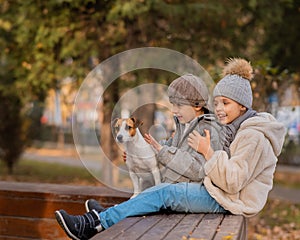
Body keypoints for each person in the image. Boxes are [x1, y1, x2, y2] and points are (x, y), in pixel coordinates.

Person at [55, 59, 286, 240]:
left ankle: (93, 224)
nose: (219, 109)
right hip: (221, 192)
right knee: (161, 190)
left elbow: (233, 181)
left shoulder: (252, 136)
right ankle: (108, 215)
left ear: (242, 105)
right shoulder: (235, 127)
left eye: (225, 103)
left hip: (231, 200)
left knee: (165, 192)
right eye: (217, 103)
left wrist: (207, 153)